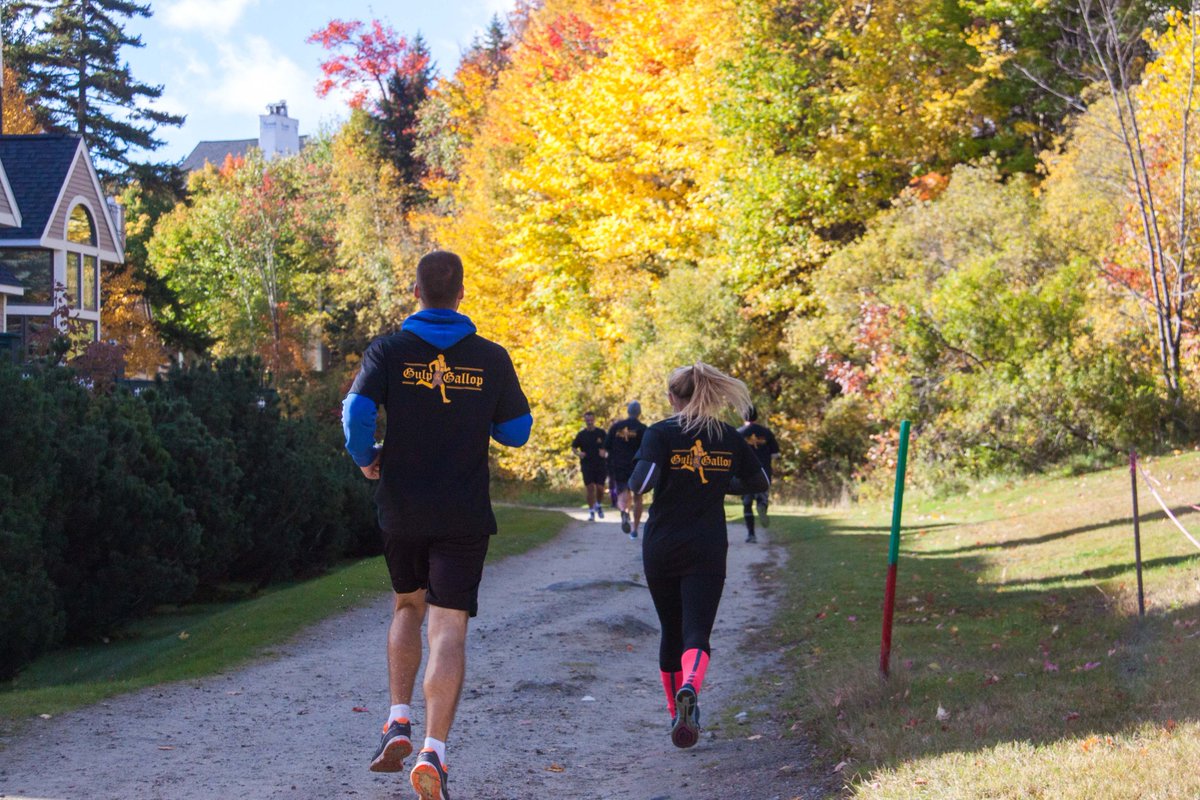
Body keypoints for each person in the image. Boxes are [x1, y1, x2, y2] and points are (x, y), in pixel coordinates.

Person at [342, 250, 532, 800]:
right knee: (447, 627)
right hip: (462, 512)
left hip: (401, 506)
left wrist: (364, 456)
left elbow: (355, 411)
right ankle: (433, 752)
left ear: (416, 291)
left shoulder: (389, 350)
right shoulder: (491, 358)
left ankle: (397, 719)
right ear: (462, 293)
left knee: (407, 605)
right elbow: (517, 432)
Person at [628, 362, 769, 749]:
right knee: (697, 632)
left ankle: (677, 711)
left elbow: (640, 484)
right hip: (708, 545)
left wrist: (646, 470)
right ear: (708, 394)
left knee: (670, 631)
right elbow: (760, 482)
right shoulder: (727, 435)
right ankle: (692, 684)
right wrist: (720, 484)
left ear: (672, 397)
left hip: (662, 546)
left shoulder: (660, 433)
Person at [604, 400, 648, 539]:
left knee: (622, 493)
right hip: (637, 466)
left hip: (619, 466)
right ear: (639, 413)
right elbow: (647, 450)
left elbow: (606, 447)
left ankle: (624, 511)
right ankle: (634, 529)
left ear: (628, 411)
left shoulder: (616, 427)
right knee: (638, 497)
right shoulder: (643, 429)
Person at [737, 405, 780, 543]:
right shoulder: (766, 432)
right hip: (763, 473)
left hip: (745, 475)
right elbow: (775, 454)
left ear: (743, 416)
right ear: (757, 416)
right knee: (762, 496)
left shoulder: (738, 433)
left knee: (747, 503)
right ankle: (762, 506)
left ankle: (751, 535)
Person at [571, 411, 607, 521]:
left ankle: (599, 504)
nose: (589, 422)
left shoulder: (601, 433)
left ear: (594, 420)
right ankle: (591, 512)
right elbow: (573, 447)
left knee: (600, 488)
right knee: (590, 488)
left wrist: (605, 452)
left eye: (591, 420)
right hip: (587, 464)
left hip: (600, 464)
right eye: (587, 420)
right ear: (585, 421)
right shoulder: (581, 435)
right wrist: (579, 453)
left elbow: (610, 445)